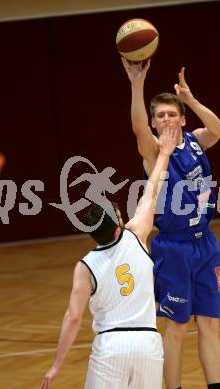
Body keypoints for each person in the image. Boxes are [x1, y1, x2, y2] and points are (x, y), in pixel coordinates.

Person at [41, 126, 178, 389]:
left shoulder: (85, 266)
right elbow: (153, 189)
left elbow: (73, 317)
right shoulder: (136, 234)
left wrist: (56, 365)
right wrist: (165, 154)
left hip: (111, 347)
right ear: (118, 224)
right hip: (147, 345)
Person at [122, 57, 220, 389]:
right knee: (177, 328)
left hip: (205, 243)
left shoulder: (195, 140)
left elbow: (219, 130)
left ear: (181, 118)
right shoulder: (154, 151)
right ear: (154, 123)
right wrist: (137, 85)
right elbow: (138, 128)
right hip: (173, 248)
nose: (166, 118)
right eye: (160, 115)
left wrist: (191, 100)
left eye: (171, 113)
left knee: (210, 323)